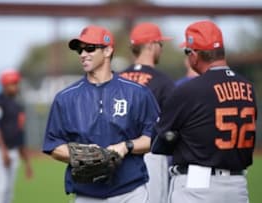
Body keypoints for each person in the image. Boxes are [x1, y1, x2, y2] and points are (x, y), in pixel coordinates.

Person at [42, 25, 160, 203]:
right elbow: (53, 145)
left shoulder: (137, 93)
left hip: (130, 192)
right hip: (86, 194)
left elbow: (154, 137)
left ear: (107, 51)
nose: (83, 54)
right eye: (79, 50)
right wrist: (82, 155)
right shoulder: (65, 98)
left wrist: (126, 146)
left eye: (90, 48)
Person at [151, 20, 257, 203]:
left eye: (187, 52)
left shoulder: (189, 90)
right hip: (238, 187)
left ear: (194, 54)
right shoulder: (248, 88)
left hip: (197, 187)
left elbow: (159, 141)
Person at [119, 22, 174, 203]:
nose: (161, 48)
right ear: (150, 45)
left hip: (118, 154)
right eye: (160, 44)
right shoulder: (163, 82)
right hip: (151, 154)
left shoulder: (116, 79)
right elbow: (171, 127)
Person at [0, 69, 33, 203]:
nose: (15, 86)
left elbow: (20, 134)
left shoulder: (18, 106)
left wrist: (27, 163)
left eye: (16, 83)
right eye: (12, 83)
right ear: (4, 85)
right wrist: (3, 151)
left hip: (13, 150)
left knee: (8, 192)